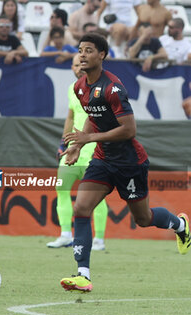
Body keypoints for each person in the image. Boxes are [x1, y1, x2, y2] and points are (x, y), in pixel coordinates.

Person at [60, 33, 191, 292]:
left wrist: (89, 137)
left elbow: (129, 130)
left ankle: (181, 225)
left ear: (102, 55)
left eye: (88, 50)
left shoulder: (113, 88)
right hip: (102, 159)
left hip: (130, 162)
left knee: (143, 218)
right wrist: (78, 145)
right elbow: (92, 117)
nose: (82, 55)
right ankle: (83, 275)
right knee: (81, 208)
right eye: (80, 50)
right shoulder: (80, 87)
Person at [47, 54, 108, 251]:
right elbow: (71, 117)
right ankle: (65, 234)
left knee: (96, 194)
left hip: (93, 148)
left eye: (81, 63)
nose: (79, 67)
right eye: (75, 64)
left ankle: (98, 239)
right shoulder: (72, 90)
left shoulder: (100, 88)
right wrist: (63, 142)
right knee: (61, 189)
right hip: (72, 149)